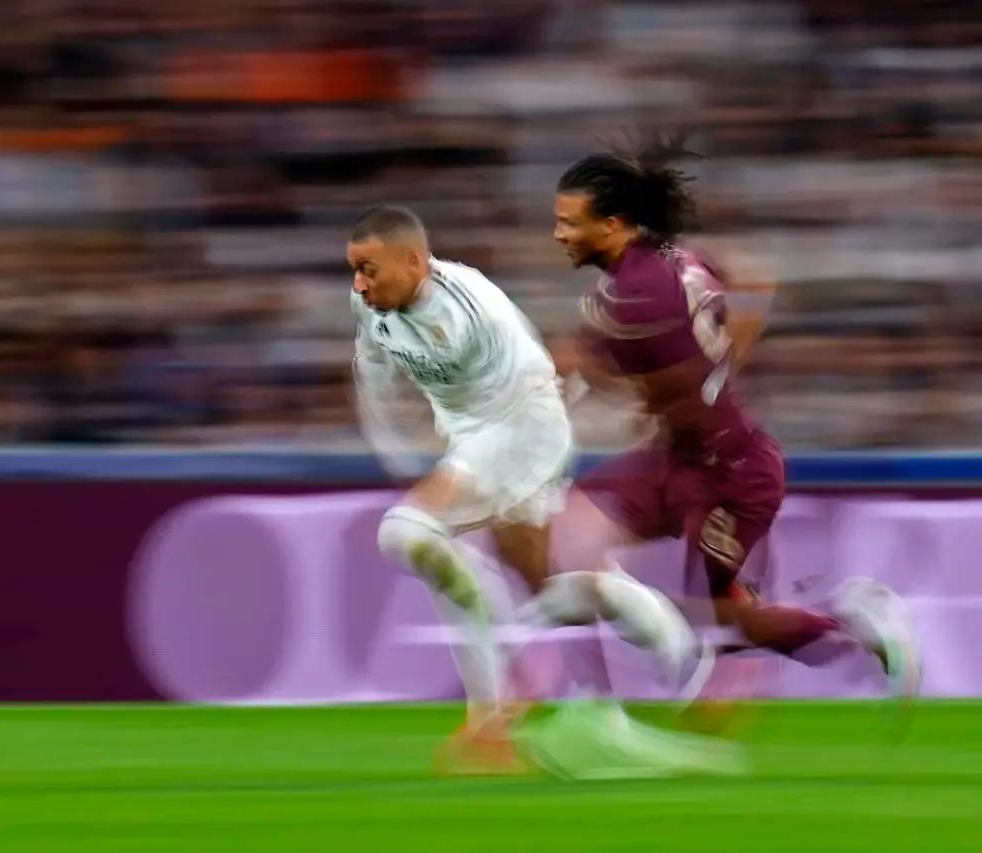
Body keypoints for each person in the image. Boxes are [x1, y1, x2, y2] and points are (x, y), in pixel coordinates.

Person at [520, 131, 920, 768]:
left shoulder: (633, 298)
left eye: (570, 224)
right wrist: (719, 367)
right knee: (571, 540)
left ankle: (857, 628)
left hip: (727, 472)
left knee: (728, 623)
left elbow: (587, 370)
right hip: (679, 457)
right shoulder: (674, 258)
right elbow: (752, 275)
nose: (559, 235)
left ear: (614, 224)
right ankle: (600, 711)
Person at [347, 204, 708, 775]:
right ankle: (674, 638)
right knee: (546, 582)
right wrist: (392, 443)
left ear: (415, 261)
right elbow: (372, 364)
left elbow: (518, 397)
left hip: (523, 427)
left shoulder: (466, 311)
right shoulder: (373, 303)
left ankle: (494, 714)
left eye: (370, 269)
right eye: (356, 270)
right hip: (480, 433)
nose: (360, 285)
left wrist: (458, 479)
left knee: (408, 532)